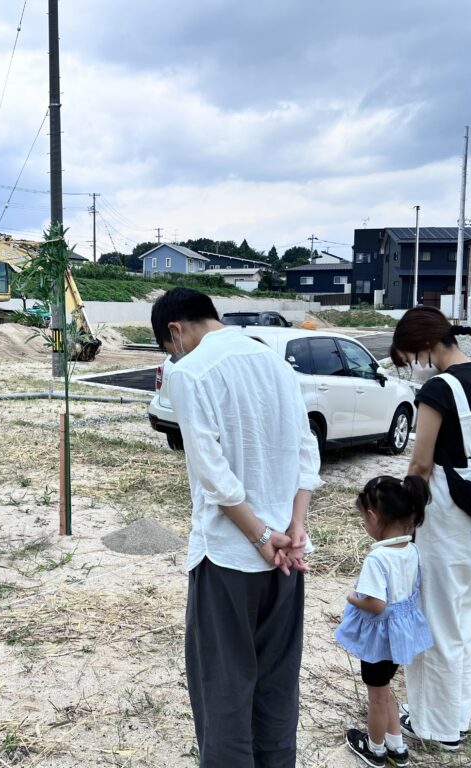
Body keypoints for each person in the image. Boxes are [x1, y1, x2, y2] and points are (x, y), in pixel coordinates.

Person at [150, 288, 321, 767]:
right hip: (289, 558)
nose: (173, 356)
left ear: (175, 331)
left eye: (169, 348)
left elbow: (213, 474)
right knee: (277, 684)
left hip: (230, 553)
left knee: (224, 688)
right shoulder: (276, 363)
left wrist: (263, 537)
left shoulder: (190, 370)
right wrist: (294, 528)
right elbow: (308, 454)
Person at [388, 305, 471, 751]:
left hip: (447, 523)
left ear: (423, 346)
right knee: (463, 622)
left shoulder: (439, 389)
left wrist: (403, 517)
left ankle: (433, 726)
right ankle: (455, 717)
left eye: (409, 357)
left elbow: (420, 463)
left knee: (434, 625)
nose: (413, 366)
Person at [336, 475, 434, 768]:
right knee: (386, 688)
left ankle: (375, 749)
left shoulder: (377, 559)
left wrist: (353, 597)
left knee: (376, 697)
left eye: (363, 520)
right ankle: (397, 745)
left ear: (373, 516)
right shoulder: (411, 549)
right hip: (401, 634)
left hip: (380, 638)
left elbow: (376, 605)